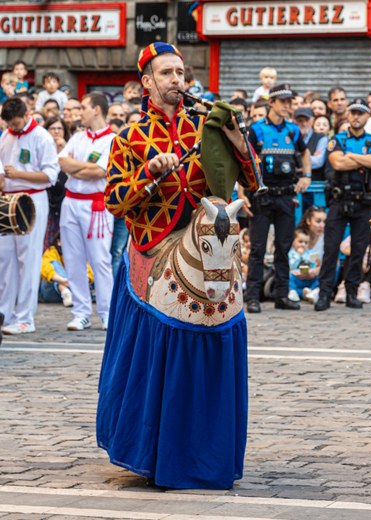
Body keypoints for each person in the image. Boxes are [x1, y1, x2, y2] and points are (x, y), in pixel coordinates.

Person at [97, 42, 261, 490]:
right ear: (146, 83)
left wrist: (236, 142)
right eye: (167, 73)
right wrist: (150, 171)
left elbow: (253, 181)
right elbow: (114, 201)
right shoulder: (129, 137)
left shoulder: (205, 127)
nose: (177, 80)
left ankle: (209, 450)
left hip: (213, 243)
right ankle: (152, 451)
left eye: (181, 72)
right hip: (155, 243)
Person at [242, 84, 311, 313]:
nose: (288, 106)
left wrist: (307, 176)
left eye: (290, 102)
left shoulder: (293, 130)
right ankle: (252, 296)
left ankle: (282, 295)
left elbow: (305, 152)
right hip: (262, 195)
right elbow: (244, 158)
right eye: (283, 101)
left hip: (285, 196)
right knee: (257, 248)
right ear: (271, 102)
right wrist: (242, 191)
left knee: (283, 247)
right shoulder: (256, 129)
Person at [314, 98, 371, 311]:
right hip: (339, 201)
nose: (356, 116)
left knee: (359, 250)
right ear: (348, 114)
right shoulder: (337, 139)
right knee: (330, 249)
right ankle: (324, 294)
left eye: (361, 113)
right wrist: (363, 158)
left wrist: (351, 157)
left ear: (367, 116)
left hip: (364, 202)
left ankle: (352, 293)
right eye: (353, 112)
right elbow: (337, 162)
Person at [0, 97, 60, 335]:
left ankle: (25, 317)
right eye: (8, 124)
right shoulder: (5, 136)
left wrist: (20, 175)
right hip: (7, 200)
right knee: (5, 260)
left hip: (32, 199)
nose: (12, 128)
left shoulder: (42, 137)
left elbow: (50, 175)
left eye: (15, 123)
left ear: (26, 115)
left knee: (29, 259)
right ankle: (4, 312)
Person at [57, 92, 115, 332]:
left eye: (83, 107)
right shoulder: (78, 137)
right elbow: (62, 162)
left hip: (96, 204)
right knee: (73, 259)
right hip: (70, 202)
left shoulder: (112, 139)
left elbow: (100, 172)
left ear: (97, 110)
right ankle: (81, 312)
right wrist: (83, 168)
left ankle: (107, 312)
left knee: (100, 259)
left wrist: (76, 168)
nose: (79, 112)